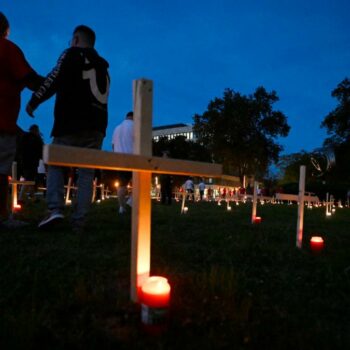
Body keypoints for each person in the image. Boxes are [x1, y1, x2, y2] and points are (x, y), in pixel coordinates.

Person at [26, 25, 110, 232]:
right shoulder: (103, 67)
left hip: (71, 122)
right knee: (86, 174)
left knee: (55, 163)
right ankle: (79, 221)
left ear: (75, 39)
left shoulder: (71, 54)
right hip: (97, 127)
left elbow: (55, 77)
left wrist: (35, 100)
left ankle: (55, 209)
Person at [0, 12, 43, 227]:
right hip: (2, 122)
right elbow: (30, 79)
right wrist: (55, 83)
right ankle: (0, 216)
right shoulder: (6, 48)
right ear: (5, 30)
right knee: (0, 170)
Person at [112, 111, 134, 214]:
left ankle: (122, 207)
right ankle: (131, 201)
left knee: (121, 185)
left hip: (119, 159)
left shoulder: (117, 128)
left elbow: (113, 145)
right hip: (133, 159)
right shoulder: (135, 126)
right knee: (140, 182)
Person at [18, 124, 44, 203]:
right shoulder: (36, 139)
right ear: (36, 130)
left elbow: (20, 149)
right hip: (32, 163)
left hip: (24, 162)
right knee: (28, 180)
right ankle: (20, 198)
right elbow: (40, 152)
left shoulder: (24, 138)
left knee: (29, 180)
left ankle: (33, 197)